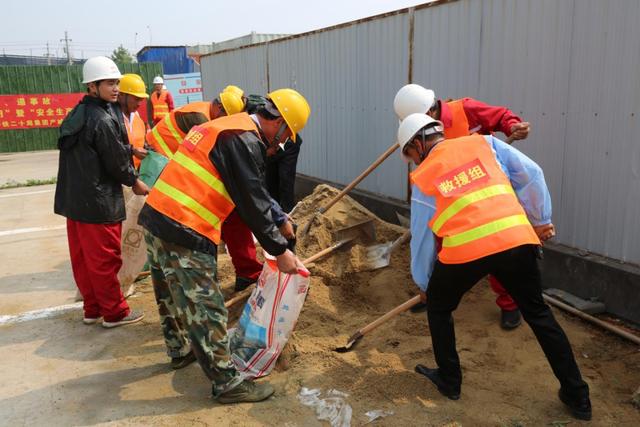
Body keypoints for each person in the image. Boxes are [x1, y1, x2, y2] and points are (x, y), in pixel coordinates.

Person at [397, 113, 591, 420]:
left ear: (418, 145)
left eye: (409, 156)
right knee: (539, 313)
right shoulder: (485, 143)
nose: (413, 163)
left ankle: (450, 381)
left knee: (438, 306)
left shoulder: (426, 175)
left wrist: (424, 285)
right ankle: (578, 396)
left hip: (467, 249)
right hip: (515, 239)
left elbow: (421, 237)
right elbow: (532, 173)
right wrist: (541, 220)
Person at [138, 88, 310, 403]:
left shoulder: (230, 128)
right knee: (207, 307)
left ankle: (178, 349)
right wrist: (280, 250)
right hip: (185, 226)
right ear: (280, 123)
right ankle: (228, 384)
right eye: (285, 137)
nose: (280, 145)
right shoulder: (245, 140)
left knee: (170, 295)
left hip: (157, 215)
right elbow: (251, 200)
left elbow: (251, 186)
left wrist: (280, 215)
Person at [394, 83, 529, 329]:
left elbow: (500, 115)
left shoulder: (465, 110)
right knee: (441, 243)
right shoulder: (421, 136)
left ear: (429, 112)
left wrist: (512, 125)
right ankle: (434, 292)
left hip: (484, 193)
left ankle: (509, 304)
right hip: (450, 197)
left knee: (496, 246)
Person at [54, 56, 149, 328]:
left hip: (75, 201)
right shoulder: (103, 118)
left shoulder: (79, 113)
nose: (116, 88)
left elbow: (93, 149)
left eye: (117, 82)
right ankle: (115, 312)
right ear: (92, 86)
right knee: (105, 259)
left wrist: (129, 150)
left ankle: (92, 309)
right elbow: (114, 160)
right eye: (109, 83)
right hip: (97, 202)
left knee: (84, 260)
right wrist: (134, 181)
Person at [245, 93, 303, 213]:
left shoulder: (250, 124)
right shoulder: (246, 140)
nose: (283, 141)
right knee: (269, 183)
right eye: (286, 136)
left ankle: (287, 211)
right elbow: (252, 190)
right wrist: (278, 220)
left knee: (284, 181)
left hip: (281, 145)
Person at [117, 73, 149, 169]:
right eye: (136, 99)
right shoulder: (110, 119)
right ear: (121, 95)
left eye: (141, 99)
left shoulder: (137, 118)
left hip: (138, 174)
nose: (139, 103)